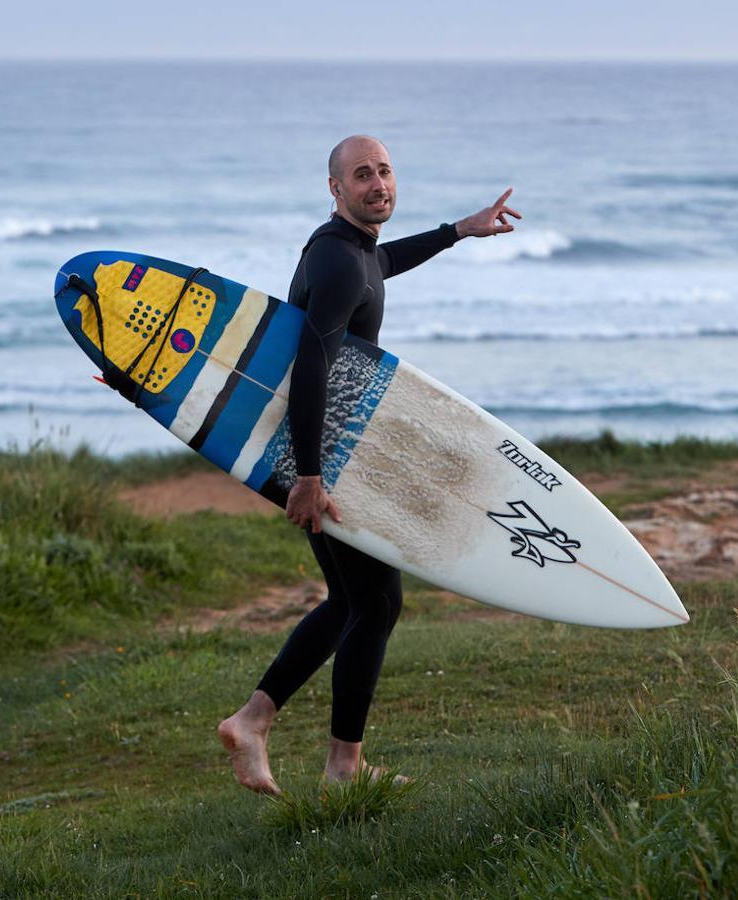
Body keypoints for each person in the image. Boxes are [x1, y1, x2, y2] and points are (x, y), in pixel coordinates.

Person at [217, 135, 521, 795]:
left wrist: (458, 231)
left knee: (356, 602)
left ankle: (257, 724)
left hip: (325, 447)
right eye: (362, 175)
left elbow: (380, 261)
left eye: (384, 171)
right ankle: (336, 765)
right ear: (335, 188)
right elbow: (313, 363)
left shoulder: (347, 250)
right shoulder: (336, 263)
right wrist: (309, 476)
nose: (377, 183)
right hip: (324, 454)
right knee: (377, 602)